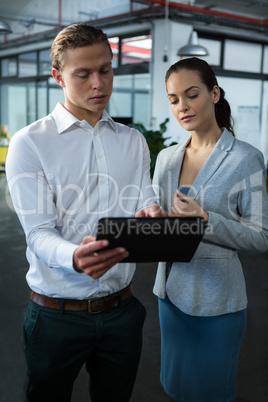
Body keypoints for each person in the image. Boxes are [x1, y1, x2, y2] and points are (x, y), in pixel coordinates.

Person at [6, 23, 161, 402]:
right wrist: (74, 257)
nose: (99, 83)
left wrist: (152, 214)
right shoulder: (30, 143)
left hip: (122, 311)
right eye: (84, 74)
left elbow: (145, 198)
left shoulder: (133, 140)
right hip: (56, 317)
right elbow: (38, 233)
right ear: (58, 77)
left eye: (105, 70)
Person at [152, 57, 268, 401]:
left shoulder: (246, 158)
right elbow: (159, 223)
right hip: (170, 295)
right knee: (175, 387)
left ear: (214, 93)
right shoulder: (167, 159)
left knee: (212, 392)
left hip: (217, 303)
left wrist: (205, 221)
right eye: (174, 99)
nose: (182, 107)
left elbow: (261, 236)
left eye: (191, 95)